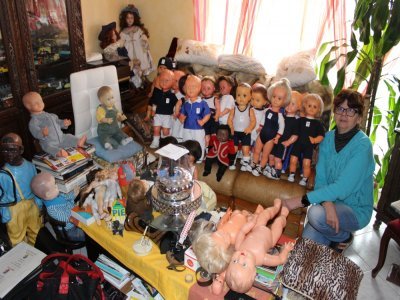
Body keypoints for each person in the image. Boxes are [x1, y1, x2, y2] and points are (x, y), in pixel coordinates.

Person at [283, 89, 375, 253]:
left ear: (359, 118)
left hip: (355, 208)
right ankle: (336, 238)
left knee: (315, 215)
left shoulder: (363, 146)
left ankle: (344, 238)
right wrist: (328, 204)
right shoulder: (327, 140)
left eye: (351, 110)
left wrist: (300, 200)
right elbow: (321, 180)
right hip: (329, 203)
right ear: (334, 112)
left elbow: (343, 188)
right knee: (302, 252)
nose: (344, 114)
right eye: (340, 108)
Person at [214, 199, 293, 295]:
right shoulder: (262, 258)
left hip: (257, 228)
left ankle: (276, 208)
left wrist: (250, 224)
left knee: (264, 214)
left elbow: (242, 232)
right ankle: (283, 215)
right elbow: (280, 259)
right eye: (244, 264)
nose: (241, 257)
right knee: (279, 223)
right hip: (271, 238)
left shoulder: (239, 247)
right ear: (253, 272)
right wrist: (286, 250)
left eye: (235, 261)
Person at [0, 133, 42, 246]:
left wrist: (39, 202)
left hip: (31, 203)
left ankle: (37, 253)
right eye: (4, 150)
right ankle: (22, 258)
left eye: (12, 150)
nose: (8, 154)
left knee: (36, 231)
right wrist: (4, 212)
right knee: (16, 237)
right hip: (14, 209)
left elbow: (36, 185)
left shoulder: (30, 166)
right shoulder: (2, 174)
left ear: (21, 149)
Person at [247, 78, 291, 176]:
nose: (275, 100)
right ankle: (253, 163)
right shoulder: (266, 110)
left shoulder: (280, 116)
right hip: (261, 134)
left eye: (279, 98)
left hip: (271, 138)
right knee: (257, 150)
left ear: (284, 101)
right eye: (274, 96)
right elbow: (263, 119)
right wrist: (260, 127)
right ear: (270, 96)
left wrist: (278, 137)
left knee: (265, 154)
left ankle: (261, 167)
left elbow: (281, 128)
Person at [22, 91, 87, 157]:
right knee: (49, 147)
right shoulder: (34, 121)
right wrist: (42, 133)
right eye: (36, 103)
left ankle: (78, 142)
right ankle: (59, 153)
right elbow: (35, 132)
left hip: (61, 138)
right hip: (49, 142)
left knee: (69, 136)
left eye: (40, 101)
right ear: (28, 106)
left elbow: (58, 122)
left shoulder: (51, 115)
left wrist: (64, 123)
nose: (40, 104)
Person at [31, 172, 85, 242]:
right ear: (48, 194)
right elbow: (70, 218)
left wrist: (74, 194)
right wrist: (78, 208)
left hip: (73, 216)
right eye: (55, 186)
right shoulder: (53, 210)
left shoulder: (55, 195)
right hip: (70, 230)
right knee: (90, 236)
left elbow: (66, 197)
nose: (57, 186)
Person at [287, 93, 325, 186]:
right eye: (309, 106)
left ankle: (305, 178)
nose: (312, 108)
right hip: (297, 144)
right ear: (304, 106)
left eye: (315, 107)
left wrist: (315, 140)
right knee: (293, 160)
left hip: (308, 146)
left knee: (306, 164)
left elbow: (321, 135)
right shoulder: (299, 120)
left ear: (319, 109)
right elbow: (293, 132)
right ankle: (291, 174)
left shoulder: (317, 124)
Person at [267, 90, 303, 180]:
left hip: (283, 144)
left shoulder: (295, 122)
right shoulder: (281, 115)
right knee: (270, 156)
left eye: (293, 104)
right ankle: (270, 169)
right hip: (275, 140)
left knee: (277, 159)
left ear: (299, 107)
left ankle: (277, 174)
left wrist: (288, 142)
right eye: (288, 103)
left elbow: (295, 135)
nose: (289, 106)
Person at [179, 75, 211, 161]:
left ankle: (200, 157)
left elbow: (208, 114)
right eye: (188, 87)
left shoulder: (202, 103)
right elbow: (182, 113)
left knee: (199, 142)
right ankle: (186, 156)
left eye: (193, 87)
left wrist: (203, 121)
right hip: (187, 127)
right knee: (186, 141)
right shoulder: (186, 104)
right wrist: (181, 118)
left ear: (199, 88)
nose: (190, 89)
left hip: (198, 127)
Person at [148, 69, 181, 149]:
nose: (164, 82)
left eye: (167, 80)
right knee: (156, 129)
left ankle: (167, 142)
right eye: (162, 80)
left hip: (167, 116)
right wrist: (153, 111)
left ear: (172, 81)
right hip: (158, 115)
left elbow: (177, 103)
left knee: (166, 131)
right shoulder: (157, 92)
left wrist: (176, 112)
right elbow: (154, 102)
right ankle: (155, 141)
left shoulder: (172, 95)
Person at [119, 4, 154, 76]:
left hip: (140, 52)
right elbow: (121, 44)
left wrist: (144, 41)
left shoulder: (138, 29)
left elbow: (144, 39)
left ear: (135, 18)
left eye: (131, 18)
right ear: (124, 19)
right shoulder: (123, 32)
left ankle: (142, 82)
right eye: (128, 18)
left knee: (142, 69)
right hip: (130, 53)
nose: (130, 20)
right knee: (133, 71)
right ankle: (135, 83)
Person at [227, 83, 255, 171]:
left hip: (245, 132)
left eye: (244, 95)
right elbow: (230, 119)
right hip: (234, 132)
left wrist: (250, 128)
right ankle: (232, 161)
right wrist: (231, 127)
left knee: (245, 149)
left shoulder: (250, 110)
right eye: (238, 95)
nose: (241, 98)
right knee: (233, 148)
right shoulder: (234, 109)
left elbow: (253, 121)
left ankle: (245, 163)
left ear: (250, 97)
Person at [96, 86, 133, 150]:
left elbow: (117, 118)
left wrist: (121, 118)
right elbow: (100, 119)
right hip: (104, 131)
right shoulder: (101, 108)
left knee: (120, 134)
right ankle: (107, 144)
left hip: (115, 129)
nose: (111, 100)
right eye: (108, 99)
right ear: (101, 100)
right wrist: (106, 120)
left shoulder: (113, 107)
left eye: (112, 97)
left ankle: (123, 141)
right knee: (104, 137)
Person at [201, 76, 220, 150]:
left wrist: (217, 116)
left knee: (214, 135)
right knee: (206, 135)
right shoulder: (201, 100)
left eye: (208, 88)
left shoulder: (215, 99)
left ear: (214, 88)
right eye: (203, 88)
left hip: (212, 120)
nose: (206, 90)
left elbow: (218, 109)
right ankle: (206, 149)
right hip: (204, 121)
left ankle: (214, 149)